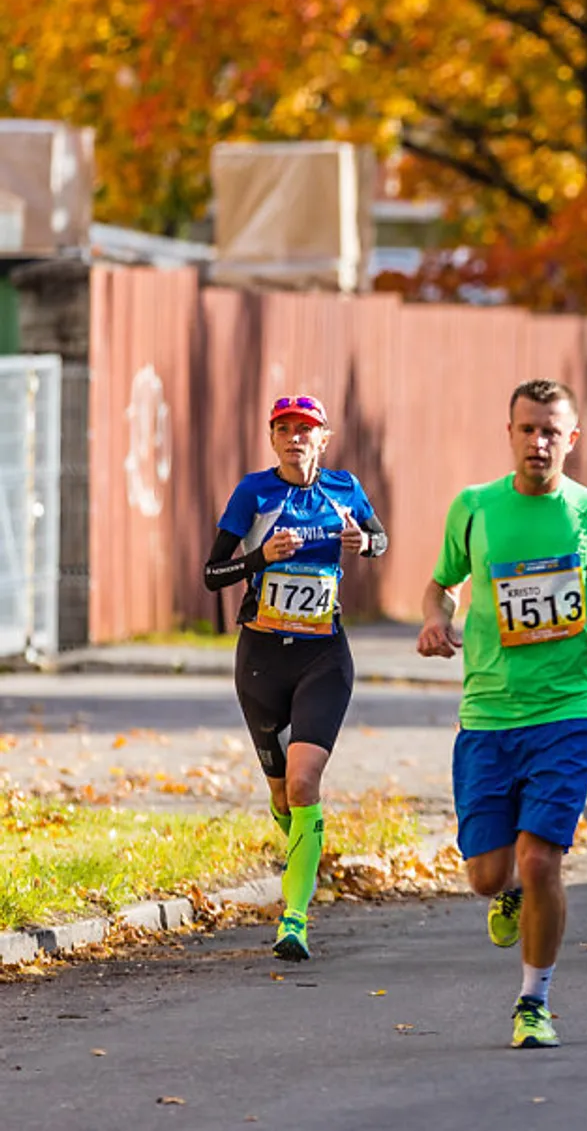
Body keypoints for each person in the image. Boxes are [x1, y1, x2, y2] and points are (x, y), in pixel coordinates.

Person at [418, 379, 587, 1049]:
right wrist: (435, 620)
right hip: (488, 715)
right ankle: (510, 888)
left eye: (551, 431)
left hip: (566, 712)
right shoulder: (474, 507)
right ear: (511, 433)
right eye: (528, 429)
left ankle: (533, 1001)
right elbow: (441, 585)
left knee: (542, 860)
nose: (539, 442)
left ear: (572, 439)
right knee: (488, 875)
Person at [203, 395, 387, 963]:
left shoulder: (344, 489)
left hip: (322, 656)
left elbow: (379, 539)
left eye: (305, 429)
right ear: (272, 439)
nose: (294, 438)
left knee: (305, 783)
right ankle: (303, 848)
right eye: (283, 429)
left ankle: (295, 918)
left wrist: (365, 543)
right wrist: (260, 557)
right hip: (261, 660)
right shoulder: (254, 493)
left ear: (323, 437)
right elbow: (213, 574)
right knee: (283, 794)